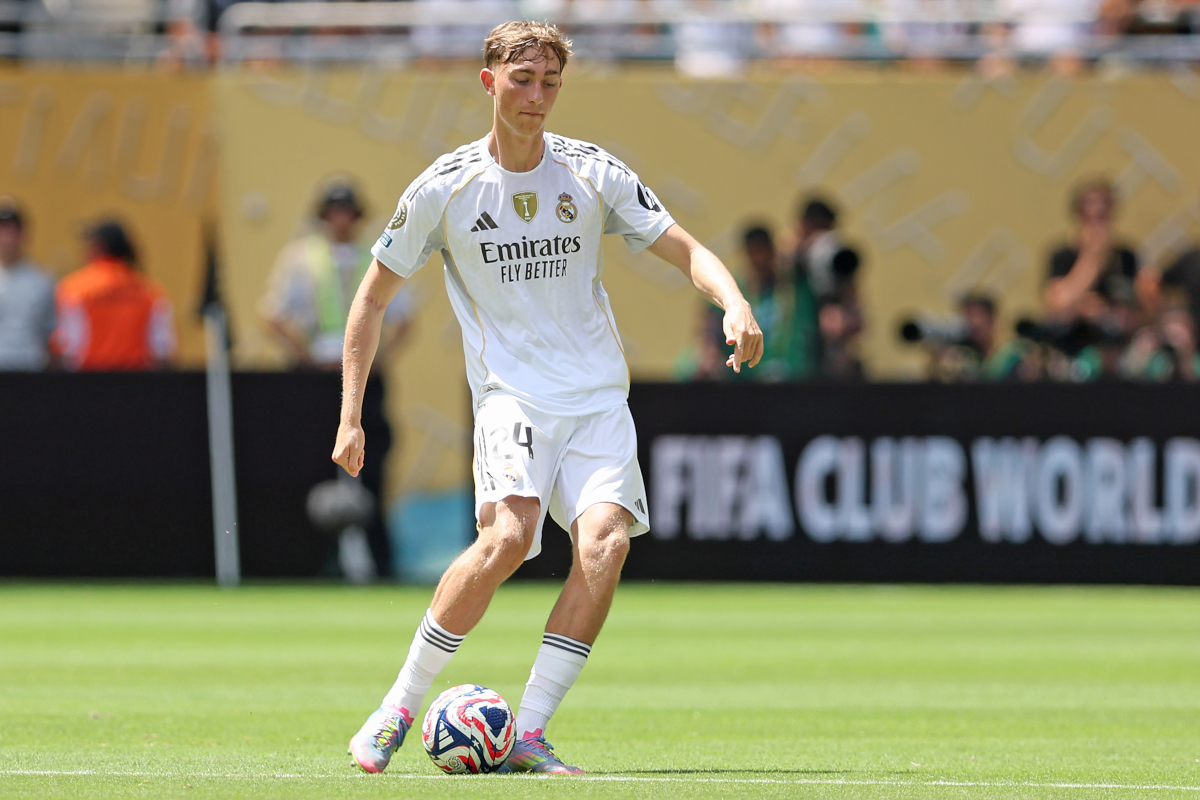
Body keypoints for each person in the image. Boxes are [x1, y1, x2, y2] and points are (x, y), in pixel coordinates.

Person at [333, 21, 763, 776]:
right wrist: (350, 413)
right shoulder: (446, 186)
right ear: (489, 81)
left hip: (597, 397)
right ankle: (397, 706)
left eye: (550, 83)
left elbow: (685, 247)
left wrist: (733, 302)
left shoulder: (592, 172)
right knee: (507, 540)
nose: (536, 97)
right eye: (523, 79)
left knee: (606, 545)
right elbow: (370, 302)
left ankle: (526, 734)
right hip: (513, 398)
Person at [262, 181, 413, 579]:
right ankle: (317, 561)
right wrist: (306, 356)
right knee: (313, 466)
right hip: (319, 376)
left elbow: (404, 319)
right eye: (334, 211)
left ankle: (380, 562)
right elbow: (274, 315)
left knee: (373, 468)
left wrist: (379, 360)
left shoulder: (378, 254)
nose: (341, 219)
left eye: (347, 211)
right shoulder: (301, 258)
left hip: (363, 376)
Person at [53, 221, 176, 371]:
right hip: (136, 383)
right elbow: (163, 350)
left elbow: (66, 346)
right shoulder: (150, 292)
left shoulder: (72, 289)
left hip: (87, 382)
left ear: (97, 247)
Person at [0, 200, 56, 371]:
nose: (6, 238)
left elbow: (51, 334)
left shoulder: (42, 281)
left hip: (29, 371)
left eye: (12, 231)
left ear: (23, 234)